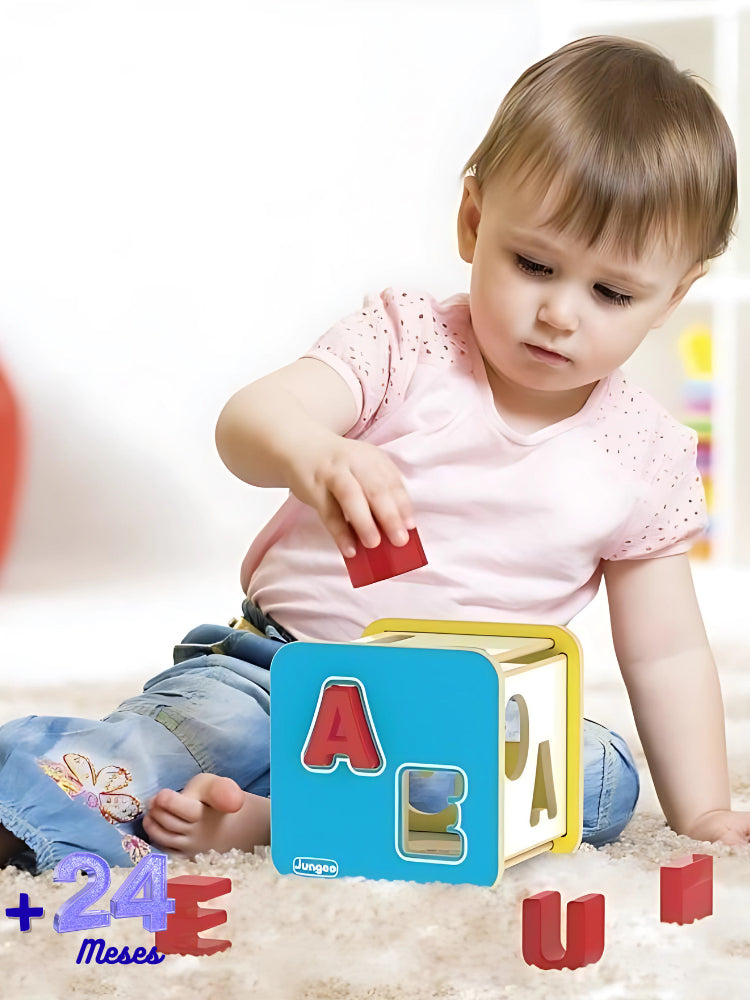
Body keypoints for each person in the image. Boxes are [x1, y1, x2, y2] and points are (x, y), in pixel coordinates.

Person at [1, 34, 747, 875]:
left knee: (599, 779)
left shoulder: (642, 456)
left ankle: (279, 821)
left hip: (462, 716)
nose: (561, 315)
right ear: (473, 222)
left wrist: (705, 809)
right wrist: (311, 450)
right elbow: (250, 419)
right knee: (184, 735)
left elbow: (667, 649)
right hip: (283, 671)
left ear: (674, 294)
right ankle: (34, 798)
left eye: (612, 292)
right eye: (534, 264)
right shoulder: (407, 343)